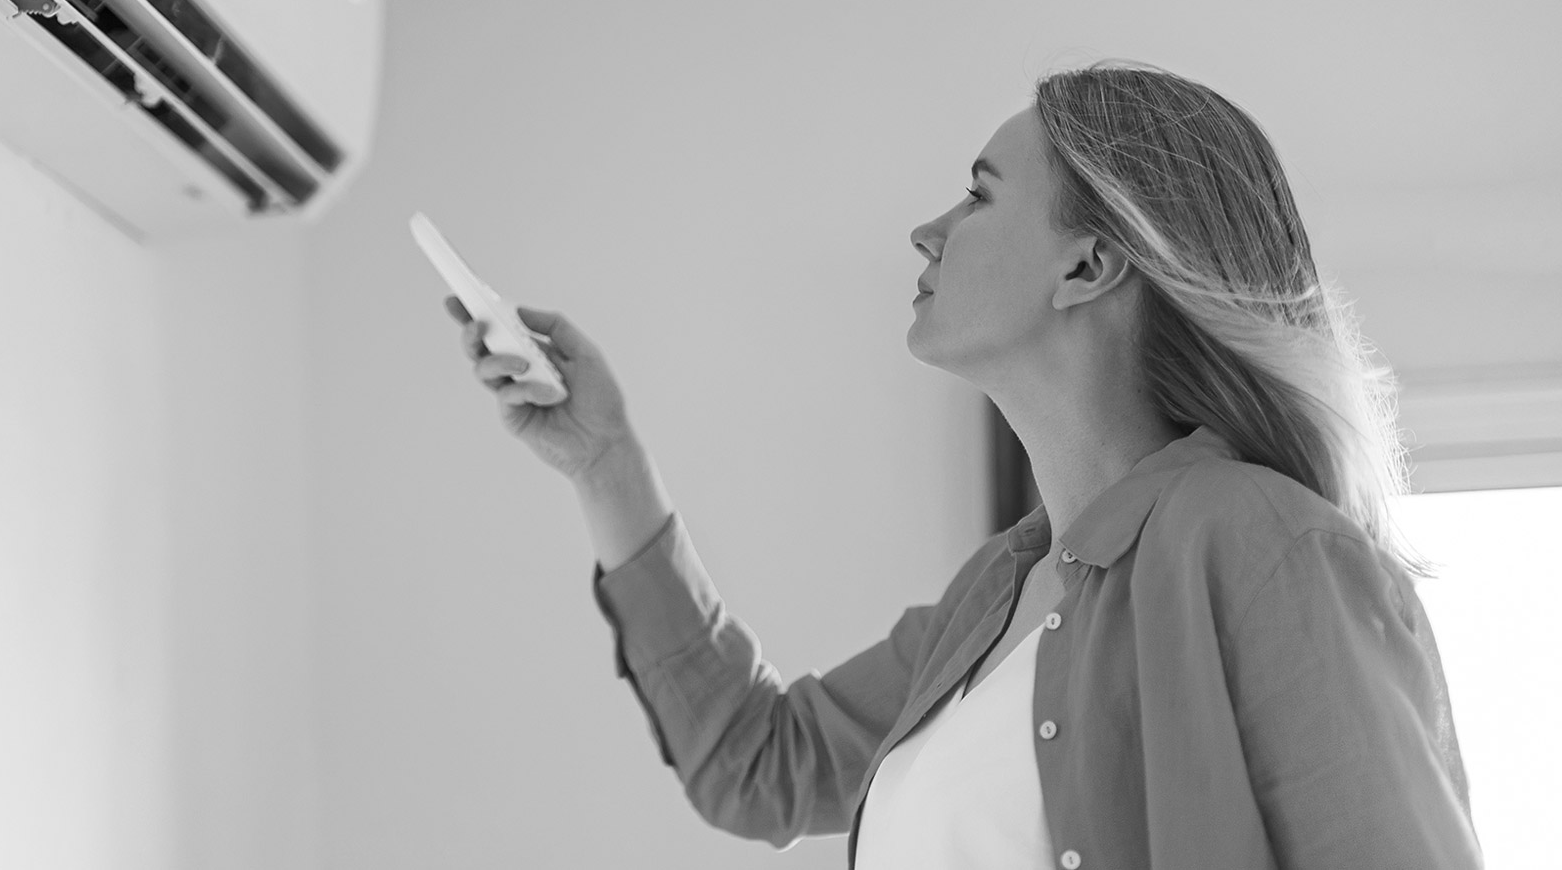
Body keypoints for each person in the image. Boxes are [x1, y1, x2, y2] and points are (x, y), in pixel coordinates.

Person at [443, 61, 1481, 869]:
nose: (924, 230)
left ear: (1087, 263)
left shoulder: (1261, 546)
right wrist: (604, 461)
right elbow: (757, 763)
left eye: (977, 197)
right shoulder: (988, 600)